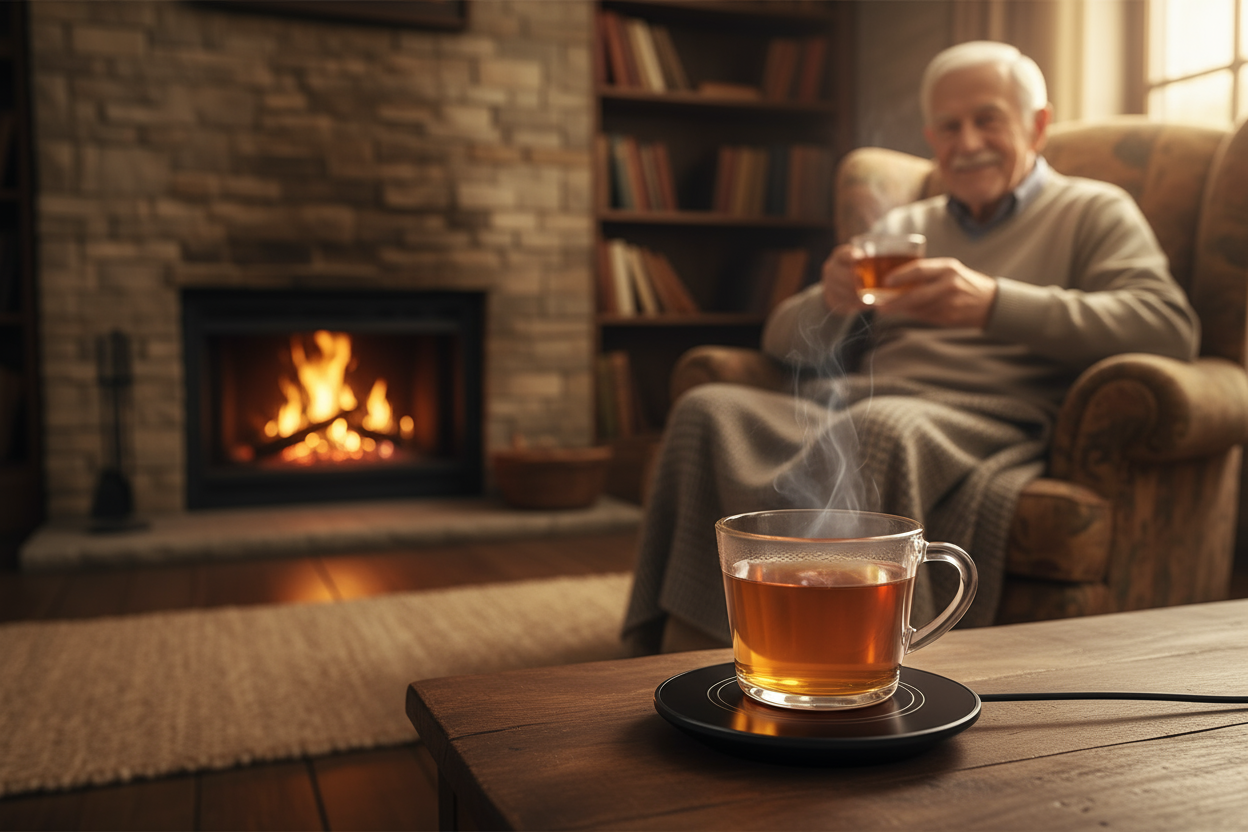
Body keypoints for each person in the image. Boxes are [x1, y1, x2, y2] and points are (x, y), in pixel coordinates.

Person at [621, 40, 1200, 655]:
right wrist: (831, 299)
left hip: (988, 413)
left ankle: (848, 655)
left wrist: (995, 303)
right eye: (948, 126)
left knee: (879, 425)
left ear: (1037, 126)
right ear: (930, 135)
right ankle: (691, 646)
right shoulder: (901, 227)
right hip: (857, 399)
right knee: (706, 408)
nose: (967, 141)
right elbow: (781, 340)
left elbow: (1167, 326)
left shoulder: (1093, 211)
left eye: (988, 119)